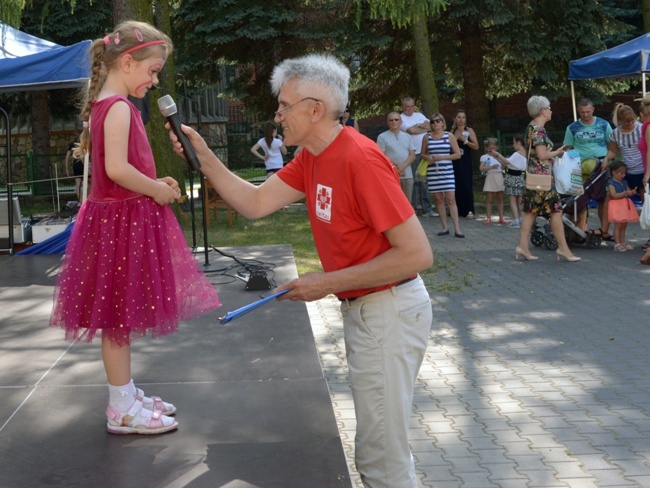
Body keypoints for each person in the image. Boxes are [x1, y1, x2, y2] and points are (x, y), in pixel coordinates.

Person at [168, 53, 433, 488]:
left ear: (315, 109)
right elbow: (255, 203)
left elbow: (417, 254)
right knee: (379, 451)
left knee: (381, 459)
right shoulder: (312, 157)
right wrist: (205, 158)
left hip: (389, 313)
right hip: (369, 313)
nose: (277, 116)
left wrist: (323, 283)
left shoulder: (360, 159)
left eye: (284, 107)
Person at [49, 21, 221, 435]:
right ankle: (120, 407)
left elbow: (118, 169)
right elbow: (117, 169)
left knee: (118, 318)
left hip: (117, 220)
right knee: (117, 319)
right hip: (119, 224)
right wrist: (156, 191)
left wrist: (154, 183)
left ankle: (124, 392)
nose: (155, 78)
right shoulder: (120, 107)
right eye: (153, 69)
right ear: (127, 61)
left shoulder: (108, 104)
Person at [516, 96, 580, 262]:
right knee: (556, 212)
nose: (551, 110)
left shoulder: (530, 128)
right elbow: (542, 155)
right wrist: (557, 152)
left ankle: (522, 247)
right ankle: (563, 249)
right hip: (542, 179)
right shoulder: (539, 130)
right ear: (543, 111)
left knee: (530, 212)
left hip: (533, 177)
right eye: (549, 107)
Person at [563, 98, 613, 239]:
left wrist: (607, 160)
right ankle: (580, 228)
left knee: (602, 199)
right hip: (579, 167)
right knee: (580, 198)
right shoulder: (572, 128)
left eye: (588, 112)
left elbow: (612, 147)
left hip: (600, 167)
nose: (585, 115)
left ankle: (604, 230)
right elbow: (568, 148)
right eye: (583, 112)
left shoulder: (603, 125)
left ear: (593, 110)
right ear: (578, 110)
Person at [421, 112, 464, 238]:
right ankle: (445, 227)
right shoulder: (427, 137)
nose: (435, 123)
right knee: (439, 199)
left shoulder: (449, 135)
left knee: (451, 199)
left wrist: (442, 157)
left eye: (438, 121)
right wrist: (428, 157)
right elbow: (422, 153)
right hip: (433, 172)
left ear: (443, 122)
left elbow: (457, 154)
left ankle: (457, 228)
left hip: (447, 171)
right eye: (433, 121)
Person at [400, 97, 437, 217]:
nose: (410, 109)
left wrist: (419, 126)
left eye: (412, 106)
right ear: (402, 107)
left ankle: (427, 209)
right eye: (407, 106)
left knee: (425, 181)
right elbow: (411, 131)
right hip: (412, 153)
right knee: (414, 182)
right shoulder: (400, 118)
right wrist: (422, 127)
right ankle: (413, 209)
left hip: (425, 152)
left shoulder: (419, 115)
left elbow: (431, 126)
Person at [377, 111, 415, 200]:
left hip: (408, 175)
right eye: (391, 120)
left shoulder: (408, 136)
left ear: (400, 122)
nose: (394, 122)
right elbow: (381, 157)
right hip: (391, 175)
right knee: (394, 201)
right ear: (387, 122)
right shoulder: (382, 137)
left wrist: (402, 166)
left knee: (407, 202)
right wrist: (395, 169)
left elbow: (412, 155)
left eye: (396, 119)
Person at [450, 109, 479, 219]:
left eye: (463, 117)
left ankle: (470, 210)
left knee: (466, 184)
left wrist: (465, 140)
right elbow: (449, 147)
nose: (461, 120)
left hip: (465, 160)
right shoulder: (452, 132)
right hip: (455, 161)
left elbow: (476, 146)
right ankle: (458, 210)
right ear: (455, 119)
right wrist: (456, 138)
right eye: (459, 117)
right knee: (456, 184)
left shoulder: (469, 130)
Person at [493, 134, 527, 228]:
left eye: (514, 143)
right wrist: (499, 159)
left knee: (512, 200)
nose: (513, 145)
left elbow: (508, 162)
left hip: (512, 177)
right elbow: (509, 163)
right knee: (520, 200)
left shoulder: (517, 154)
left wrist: (498, 155)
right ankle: (521, 219)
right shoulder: (526, 153)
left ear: (518, 143)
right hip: (520, 177)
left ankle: (516, 220)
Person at [606, 161, 638, 252]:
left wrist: (631, 192)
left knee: (624, 225)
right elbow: (614, 195)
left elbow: (628, 191)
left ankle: (622, 242)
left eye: (624, 173)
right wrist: (625, 193)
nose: (624, 175)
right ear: (614, 172)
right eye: (621, 173)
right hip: (617, 205)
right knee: (618, 225)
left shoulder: (624, 181)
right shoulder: (611, 183)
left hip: (625, 205)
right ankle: (617, 243)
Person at [478, 137, 506, 225]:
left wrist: (500, 160)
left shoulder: (499, 156)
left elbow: (504, 165)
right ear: (486, 148)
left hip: (499, 176)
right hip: (490, 176)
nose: (492, 150)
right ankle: (488, 218)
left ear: (496, 148)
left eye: (494, 148)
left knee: (500, 198)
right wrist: (490, 167)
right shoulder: (484, 157)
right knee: (489, 199)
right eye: (490, 148)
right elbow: (481, 168)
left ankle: (501, 217)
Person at [65, 134, 85, 202]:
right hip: (81, 164)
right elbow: (67, 157)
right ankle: (84, 201)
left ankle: (82, 202)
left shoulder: (74, 145)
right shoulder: (82, 144)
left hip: (77, 165)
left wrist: (67, 170)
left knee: (78, 185)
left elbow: (67, 158)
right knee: (86, 183)